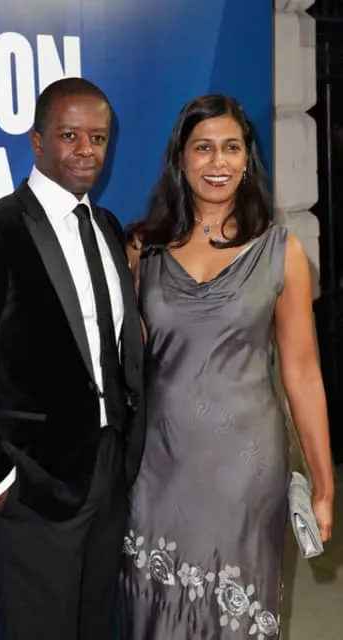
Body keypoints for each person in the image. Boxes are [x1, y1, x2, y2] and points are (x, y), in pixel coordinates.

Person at [0, 77, 145, 640]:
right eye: (70, 135)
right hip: (33, 491)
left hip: (108, 476)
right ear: (37, 140)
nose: (86, 150)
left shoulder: (107, 227)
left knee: (95, 628)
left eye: (98, 137)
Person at [119, 94, 334, 639]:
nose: (218, 162)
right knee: (156, 612)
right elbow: (127, 364)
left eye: (231, 148)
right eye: (203, 148)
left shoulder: (280, 251)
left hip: (246, 470)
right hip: (159, 466)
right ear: (181, 158)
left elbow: (303, 372)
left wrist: (323, 482)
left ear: (247, 159)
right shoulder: (144, 249)